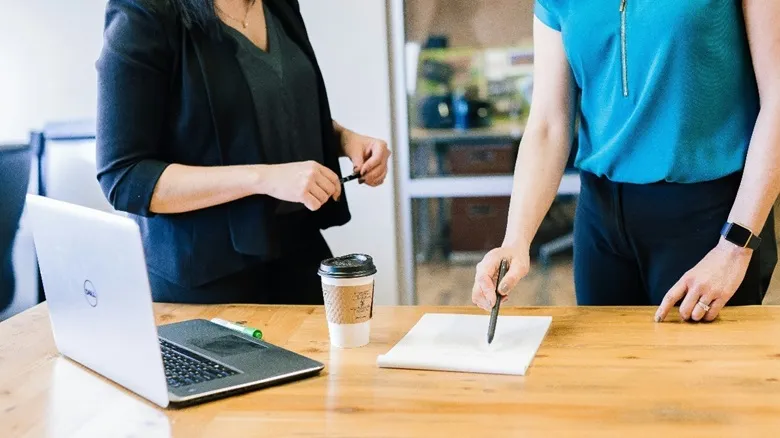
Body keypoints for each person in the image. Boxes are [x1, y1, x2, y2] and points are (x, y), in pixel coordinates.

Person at [472, 1, 780, 322]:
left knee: (701, 370)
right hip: (600, 222)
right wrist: (515, 241)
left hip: (710, 218)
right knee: (607, 368)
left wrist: (735, 247)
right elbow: (549, 123)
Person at [95, 0, 390, 305]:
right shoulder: (144, 13)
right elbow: (125, 176)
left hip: (298, 254)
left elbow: (261, 109)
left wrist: (344, 139)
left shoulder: (278, 5)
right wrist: (262, 177)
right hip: (207, 278)